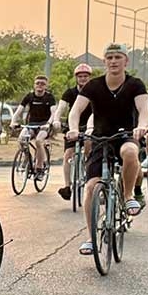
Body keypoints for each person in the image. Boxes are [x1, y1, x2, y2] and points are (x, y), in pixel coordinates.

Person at [66, 44, 148, 255]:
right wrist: (74, 129)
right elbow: (75, 111)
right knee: (91, 187)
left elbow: (144, 110)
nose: (113, 61)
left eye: (118, 57)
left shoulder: (135, 85)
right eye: (109, 57)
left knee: (130, 153)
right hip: (100, 138)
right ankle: (91, 237)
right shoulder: (93, 86)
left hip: (125, 135)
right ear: (104, 62)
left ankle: (128, 195)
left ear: (125, 61)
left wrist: (142, 126)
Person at [57, 63, 94, 201]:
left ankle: (88, 167)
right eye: (80, 76)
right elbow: (61, 108)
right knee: (68, 154)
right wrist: (56, 120)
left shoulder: (95, 92)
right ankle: (67, 186)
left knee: (89, 145)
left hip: (90, 127)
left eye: (85, 76)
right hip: (73, 127)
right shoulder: (70, 93)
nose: (83, 79)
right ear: (76, 78)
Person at [10, 75, 59, 175]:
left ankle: (39, 168)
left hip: (44, 125)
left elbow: (54, 112)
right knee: (21, 140)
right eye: (37, 83)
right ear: (34, 85)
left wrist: (49, 123)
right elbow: (19, 110)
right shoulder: (29, 96)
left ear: (46, 86)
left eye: (42, 84)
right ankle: (27, 158)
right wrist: (13, 121)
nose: (40, 85)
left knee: (39, 141)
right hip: (31, 125)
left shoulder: (49, 97)